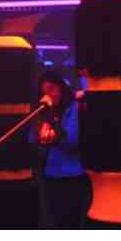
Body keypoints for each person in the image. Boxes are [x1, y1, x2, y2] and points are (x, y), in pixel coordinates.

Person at [29, 71, 90, 229]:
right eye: (44, 91)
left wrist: (53, 128)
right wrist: (40, 120)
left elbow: (71, 140)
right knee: (56, 222)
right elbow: (32, 139)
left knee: (72, 222)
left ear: (61, 87)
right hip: (51, 175)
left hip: (73, 175)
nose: (49, 95)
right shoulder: (43, 111)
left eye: (52, 89)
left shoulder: (73, 108)